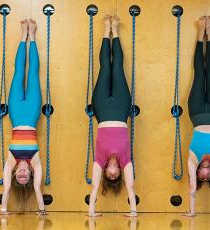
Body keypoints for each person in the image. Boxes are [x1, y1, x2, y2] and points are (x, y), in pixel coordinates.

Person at [87, 15, 137, 217]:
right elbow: (131, 187)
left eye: (111, 176)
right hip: (122, 109)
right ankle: (114, 30)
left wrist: (91, 211)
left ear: (107, 172)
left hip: (102, 110)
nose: (114, 173)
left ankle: (105, 30)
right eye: (117, 177)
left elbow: (93, 187)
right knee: (117, 69)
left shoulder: (100, 160)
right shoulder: (125, 161)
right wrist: (133, 211)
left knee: (105, 68)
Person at [0, 19, 46, 215]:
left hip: (17, 114)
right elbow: (37, 188)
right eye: (26, 176)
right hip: (33, 113)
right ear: (31, 174)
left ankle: (22, 35)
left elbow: (6, 187)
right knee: (33, 74)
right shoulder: (35, 161)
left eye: (20, 177)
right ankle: (32, 36)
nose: (23, 174)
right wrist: (42, 210)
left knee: (18, 73)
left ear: (15, 174)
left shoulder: (12, 160)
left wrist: (3, 208)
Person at [183, 16, 210, 218]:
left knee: (200, 73)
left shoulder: (193, 159)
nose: (206, 174)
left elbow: (192, 187)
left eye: (203, 176)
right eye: (209, 177)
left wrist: (192, 212)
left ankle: (201, 32)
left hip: (197, 111)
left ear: (198, 174)